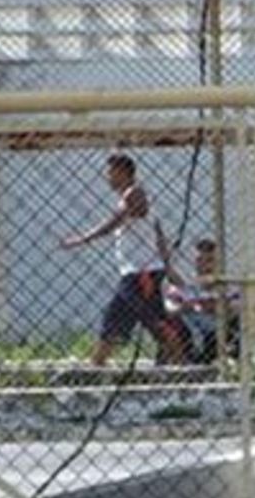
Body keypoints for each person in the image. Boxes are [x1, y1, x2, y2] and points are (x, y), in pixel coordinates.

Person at [60, 153, 183, 366]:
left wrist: (82, 239)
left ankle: (97, 364)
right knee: (137, 319)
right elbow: (158, 235)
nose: (107, 177)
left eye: (111, 172)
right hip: (140, 272)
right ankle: (99, 362)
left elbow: (116, 221)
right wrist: (168, 267)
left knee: (127, 318)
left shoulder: (135, 194)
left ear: (123, 172)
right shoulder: (135, 195)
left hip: (141, 274)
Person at [159, 235, 241, 364]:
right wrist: (193, 306)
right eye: (199, 260)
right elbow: (170, 309)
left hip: (218, 335)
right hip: (191, 336)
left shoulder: (229, 287)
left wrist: (209, 306)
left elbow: (235, 308)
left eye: (210, 260)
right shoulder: (185, 287)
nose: (204, 265)